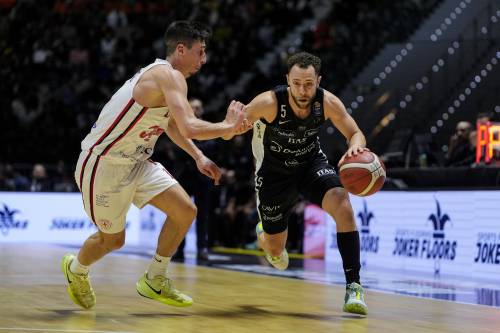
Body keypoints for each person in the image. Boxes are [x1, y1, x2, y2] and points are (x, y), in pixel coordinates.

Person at [62, 21, 247, 310]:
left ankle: (155, 278)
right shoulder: (166, 75)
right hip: (103, 164)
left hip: (137, 161)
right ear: (181, 49)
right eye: (200, 52)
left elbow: (172, 125)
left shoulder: (169, 78)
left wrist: (198, 156)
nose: (204, 59)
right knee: (113, 241)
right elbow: (188, 126)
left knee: (185, 211)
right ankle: (77, 269)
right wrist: (226, 127)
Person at [227, 52, 369, 315]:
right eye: (296, 84)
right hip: (273, 175)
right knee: (276, 253)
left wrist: (355, 149)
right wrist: (232, 124)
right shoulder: (268, 103)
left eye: (309, 84)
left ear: (318, 81)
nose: (302, 90)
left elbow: (355, 133)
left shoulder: (327, 102)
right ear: (287, 81)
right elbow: (229, 129)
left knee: (343, 205)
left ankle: (354, 286)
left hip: (310, 164)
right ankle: (264, 232)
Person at [172, 98, 217, 261]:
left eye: (198, 107)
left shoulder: (206, 127)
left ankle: (202, 248)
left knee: (203, 214)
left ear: (202, 110)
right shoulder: (180, 126)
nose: (196, 110)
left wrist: (191, 150)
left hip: (202, 177)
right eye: (193, 108)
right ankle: (179, 248)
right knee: (180, 214)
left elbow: (212, 147)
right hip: (183, 176)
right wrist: (197, 152)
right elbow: (176, 151)